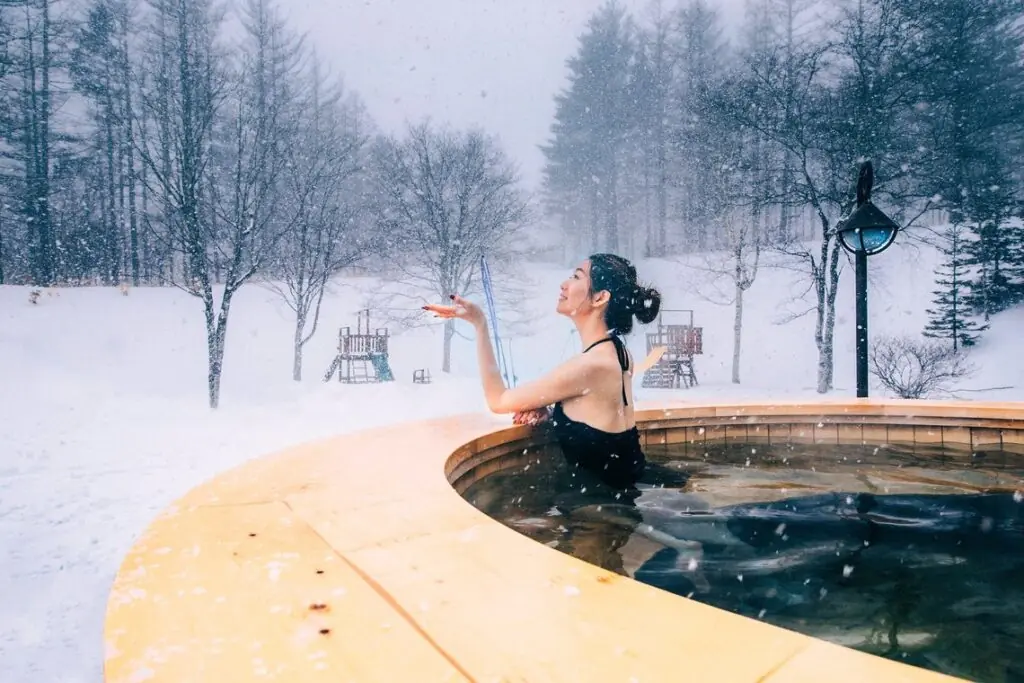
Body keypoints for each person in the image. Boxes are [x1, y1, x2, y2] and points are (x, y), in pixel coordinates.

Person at [424, 253, 661, 492]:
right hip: (629, 485)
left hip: (598, 507)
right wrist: (556, 409)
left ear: (600, 297)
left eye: (577, 277)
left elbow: (498, 400)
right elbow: (598, 414)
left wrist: (479, 324)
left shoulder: (590, 366)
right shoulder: (619, 354)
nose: (564, 284)